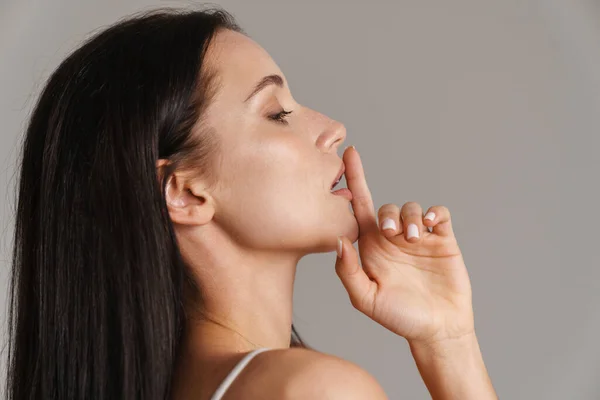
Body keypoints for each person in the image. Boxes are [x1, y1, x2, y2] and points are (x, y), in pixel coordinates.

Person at [4, 6, 498, 400]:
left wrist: (445, 338)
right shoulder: (313, 392)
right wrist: (451, 351)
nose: (333, 129)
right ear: (185, 191)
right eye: (278, 113)